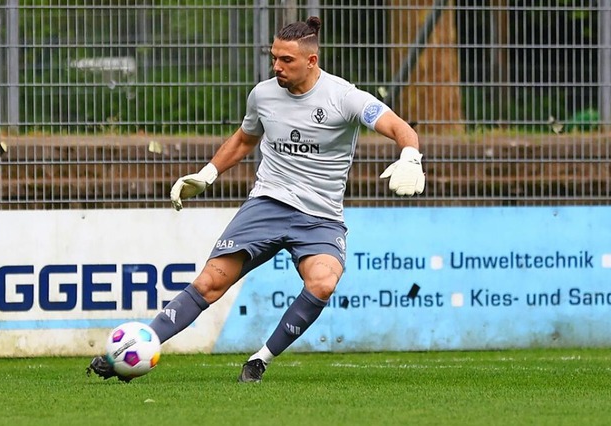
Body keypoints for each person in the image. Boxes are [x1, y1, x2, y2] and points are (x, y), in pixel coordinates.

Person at [87, 16, 424, 383]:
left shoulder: (345, 97)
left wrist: (410, 155)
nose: (276, 66)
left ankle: (259, 360)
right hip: (268, 203)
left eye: (286, 60)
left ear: (312, 61)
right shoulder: (263, 94)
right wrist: (207, 174)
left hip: (321, 217)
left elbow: (400, 128)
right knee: (209, 283)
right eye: (274, 57)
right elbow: (245, 139)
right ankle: (142, 344)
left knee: (323, 282)